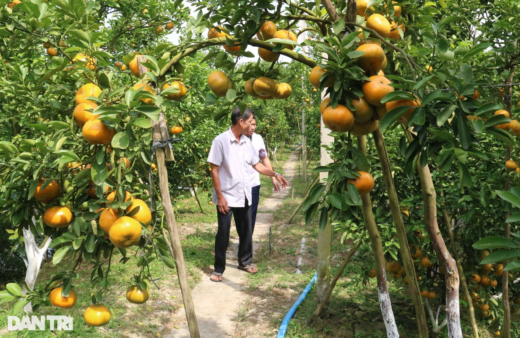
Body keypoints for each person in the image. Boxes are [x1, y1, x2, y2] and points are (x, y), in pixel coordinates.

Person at [207, 107, 289, 282]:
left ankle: (245, 262)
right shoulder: (221, 141)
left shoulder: (247, 142)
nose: (252, 124)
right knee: (223, 231)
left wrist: (274, 174)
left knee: (246, 230)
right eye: (250, 120)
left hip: (244, 193)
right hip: (227, 195)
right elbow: (214, 170)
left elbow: (256, 165)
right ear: (240, 122)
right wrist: (220, 196)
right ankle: (218, 269)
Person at [244, 116, 280, 234]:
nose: (252, 127)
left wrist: (273, 178)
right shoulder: (236, 139)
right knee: (241, 217)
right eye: (250, 124)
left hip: (253, 183)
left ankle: (246, 245)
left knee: (251, 215)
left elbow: (264, 158)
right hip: (238, 184)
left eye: (254, 124)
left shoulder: (258, 139)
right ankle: (244, 241)